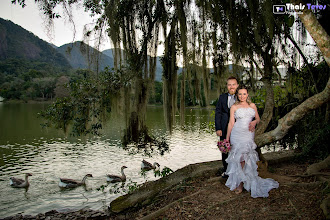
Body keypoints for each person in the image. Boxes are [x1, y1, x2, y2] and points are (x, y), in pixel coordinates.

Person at [225, 85, 279, 197]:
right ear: (237, 95)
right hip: (237, 134)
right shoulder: (234, 107)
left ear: (247, 94)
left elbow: (258, 119)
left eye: (244, 94)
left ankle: (247, 180)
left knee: (246, 158)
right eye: (240, 94)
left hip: (248, 134)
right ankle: (239, 183)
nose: (242, 96)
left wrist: (254, 122)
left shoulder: (252, 105)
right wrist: (227, 138)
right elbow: (231, 123)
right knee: (238, 159)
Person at [215, 76, 239, 178]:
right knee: (224, 150)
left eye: (233, 84)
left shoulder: (241, 96)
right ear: (227, 86)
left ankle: (238, 171)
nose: (231, 86)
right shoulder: (222, 97)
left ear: (237, 85)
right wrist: (218, 128)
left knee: (238, 149)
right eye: (229, 85)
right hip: (224, 127)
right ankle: (226, 171)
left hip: (238, 127)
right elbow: (218, 113)